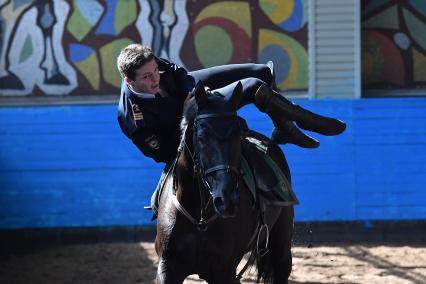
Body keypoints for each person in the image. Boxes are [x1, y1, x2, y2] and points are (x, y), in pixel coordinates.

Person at [117, 44, 346, 165]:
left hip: (186, 93)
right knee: (253, 86)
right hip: (186, 125)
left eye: (155, 71)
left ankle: (284, 128)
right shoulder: (134, 118)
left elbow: (177, 72)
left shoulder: (148, 63)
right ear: (129, 80)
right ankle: (307, 119)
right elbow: (163, 154)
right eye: (147, 77)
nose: (155, 78)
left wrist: (193, 91)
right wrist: (189, 114)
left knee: (263, 72)